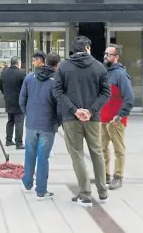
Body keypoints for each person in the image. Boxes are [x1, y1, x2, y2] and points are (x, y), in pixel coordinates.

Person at [53, 36, 111, 207]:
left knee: (77, 155)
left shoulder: (63, 66)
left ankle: (85, 194)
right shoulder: (99, 67)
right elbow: (105, 93)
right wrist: (91, 110)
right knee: (97, 153)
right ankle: (103, 193)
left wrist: (75, 110)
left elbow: (57, 91)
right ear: (87, 48)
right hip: (93, 119)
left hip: (71, 118)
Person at [19, 52, 61, 200]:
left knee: (30, 154)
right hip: (48, 126)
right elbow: (59, 105)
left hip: (31, 124)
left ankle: (27, 182)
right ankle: (41, 190)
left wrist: (29, 114)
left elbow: (21, 100)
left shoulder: (29, 78)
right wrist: (58, 121)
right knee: (43, 157)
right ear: (56, 65)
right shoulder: (56, 80)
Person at [101, 44, 134, 190]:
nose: (105, 57)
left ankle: (118, 177)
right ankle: (105, 175)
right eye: (105, 54)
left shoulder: (120, 74)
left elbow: (129, 98)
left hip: (115, 120)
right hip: (103, 118)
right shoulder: (104, 73)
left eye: (109, 54)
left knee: (118, 150)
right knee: (101, 148)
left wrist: (120, 115)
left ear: (116, 57)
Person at [0, 56, 26, 149]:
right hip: (18, 101)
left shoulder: (4, 73)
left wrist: (6, 94)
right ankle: (19, 143)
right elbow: (25, 89)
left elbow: (1, 87)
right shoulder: (21, 73)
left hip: (8, 100)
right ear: (18, 63)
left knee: (10, 121)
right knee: (19, 121)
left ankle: (8, 140)